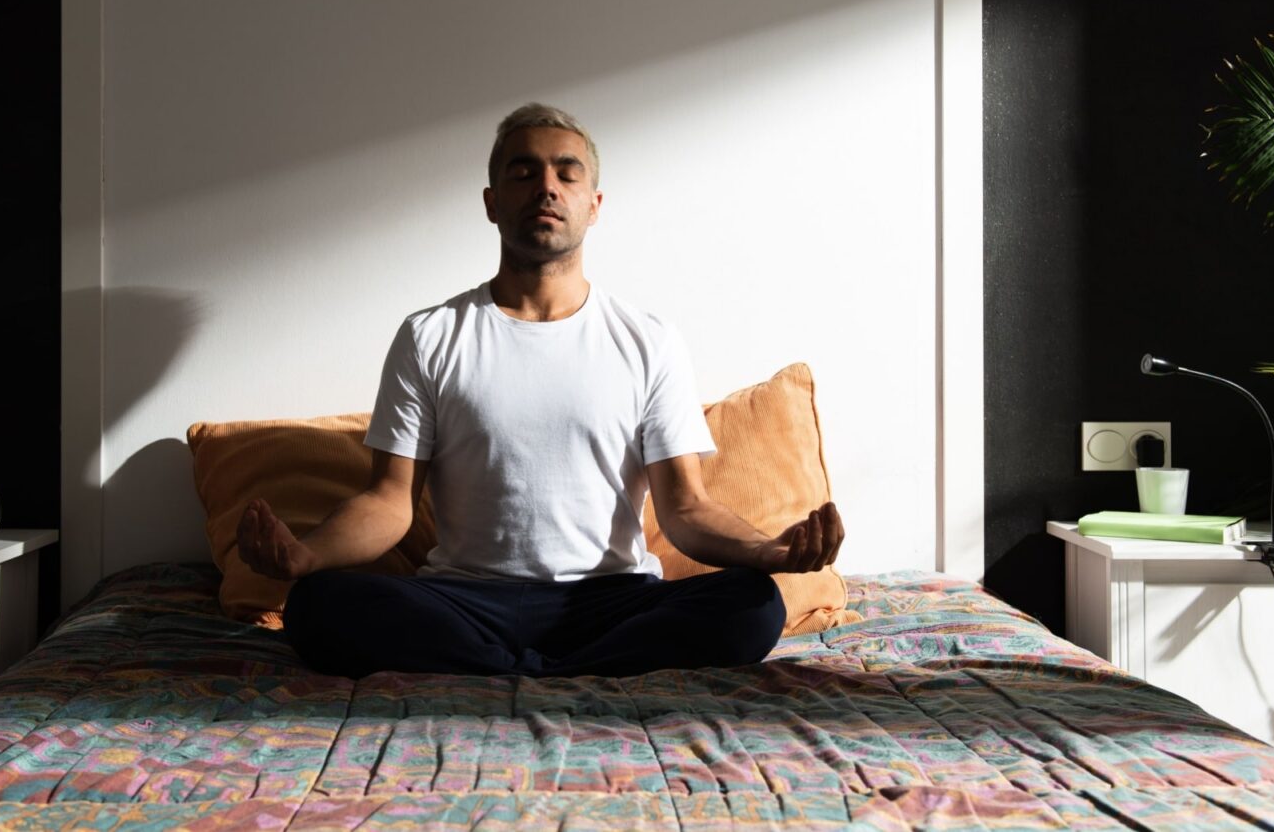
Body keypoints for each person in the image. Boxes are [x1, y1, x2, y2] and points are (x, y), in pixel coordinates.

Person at [238, 103, 844, 677]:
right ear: (492, 202)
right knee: (320, 604)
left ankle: (514, 671)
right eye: (523, 172)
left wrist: (768, 551)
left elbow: (684, 511)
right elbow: (389, 503)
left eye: (566, 173)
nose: (546, 187)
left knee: (752, 602)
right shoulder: (430, 335)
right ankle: (571, 671)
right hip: (464, 600)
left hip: (611, 601)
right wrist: (306, 556)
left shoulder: (648, 340)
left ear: (594, 203)